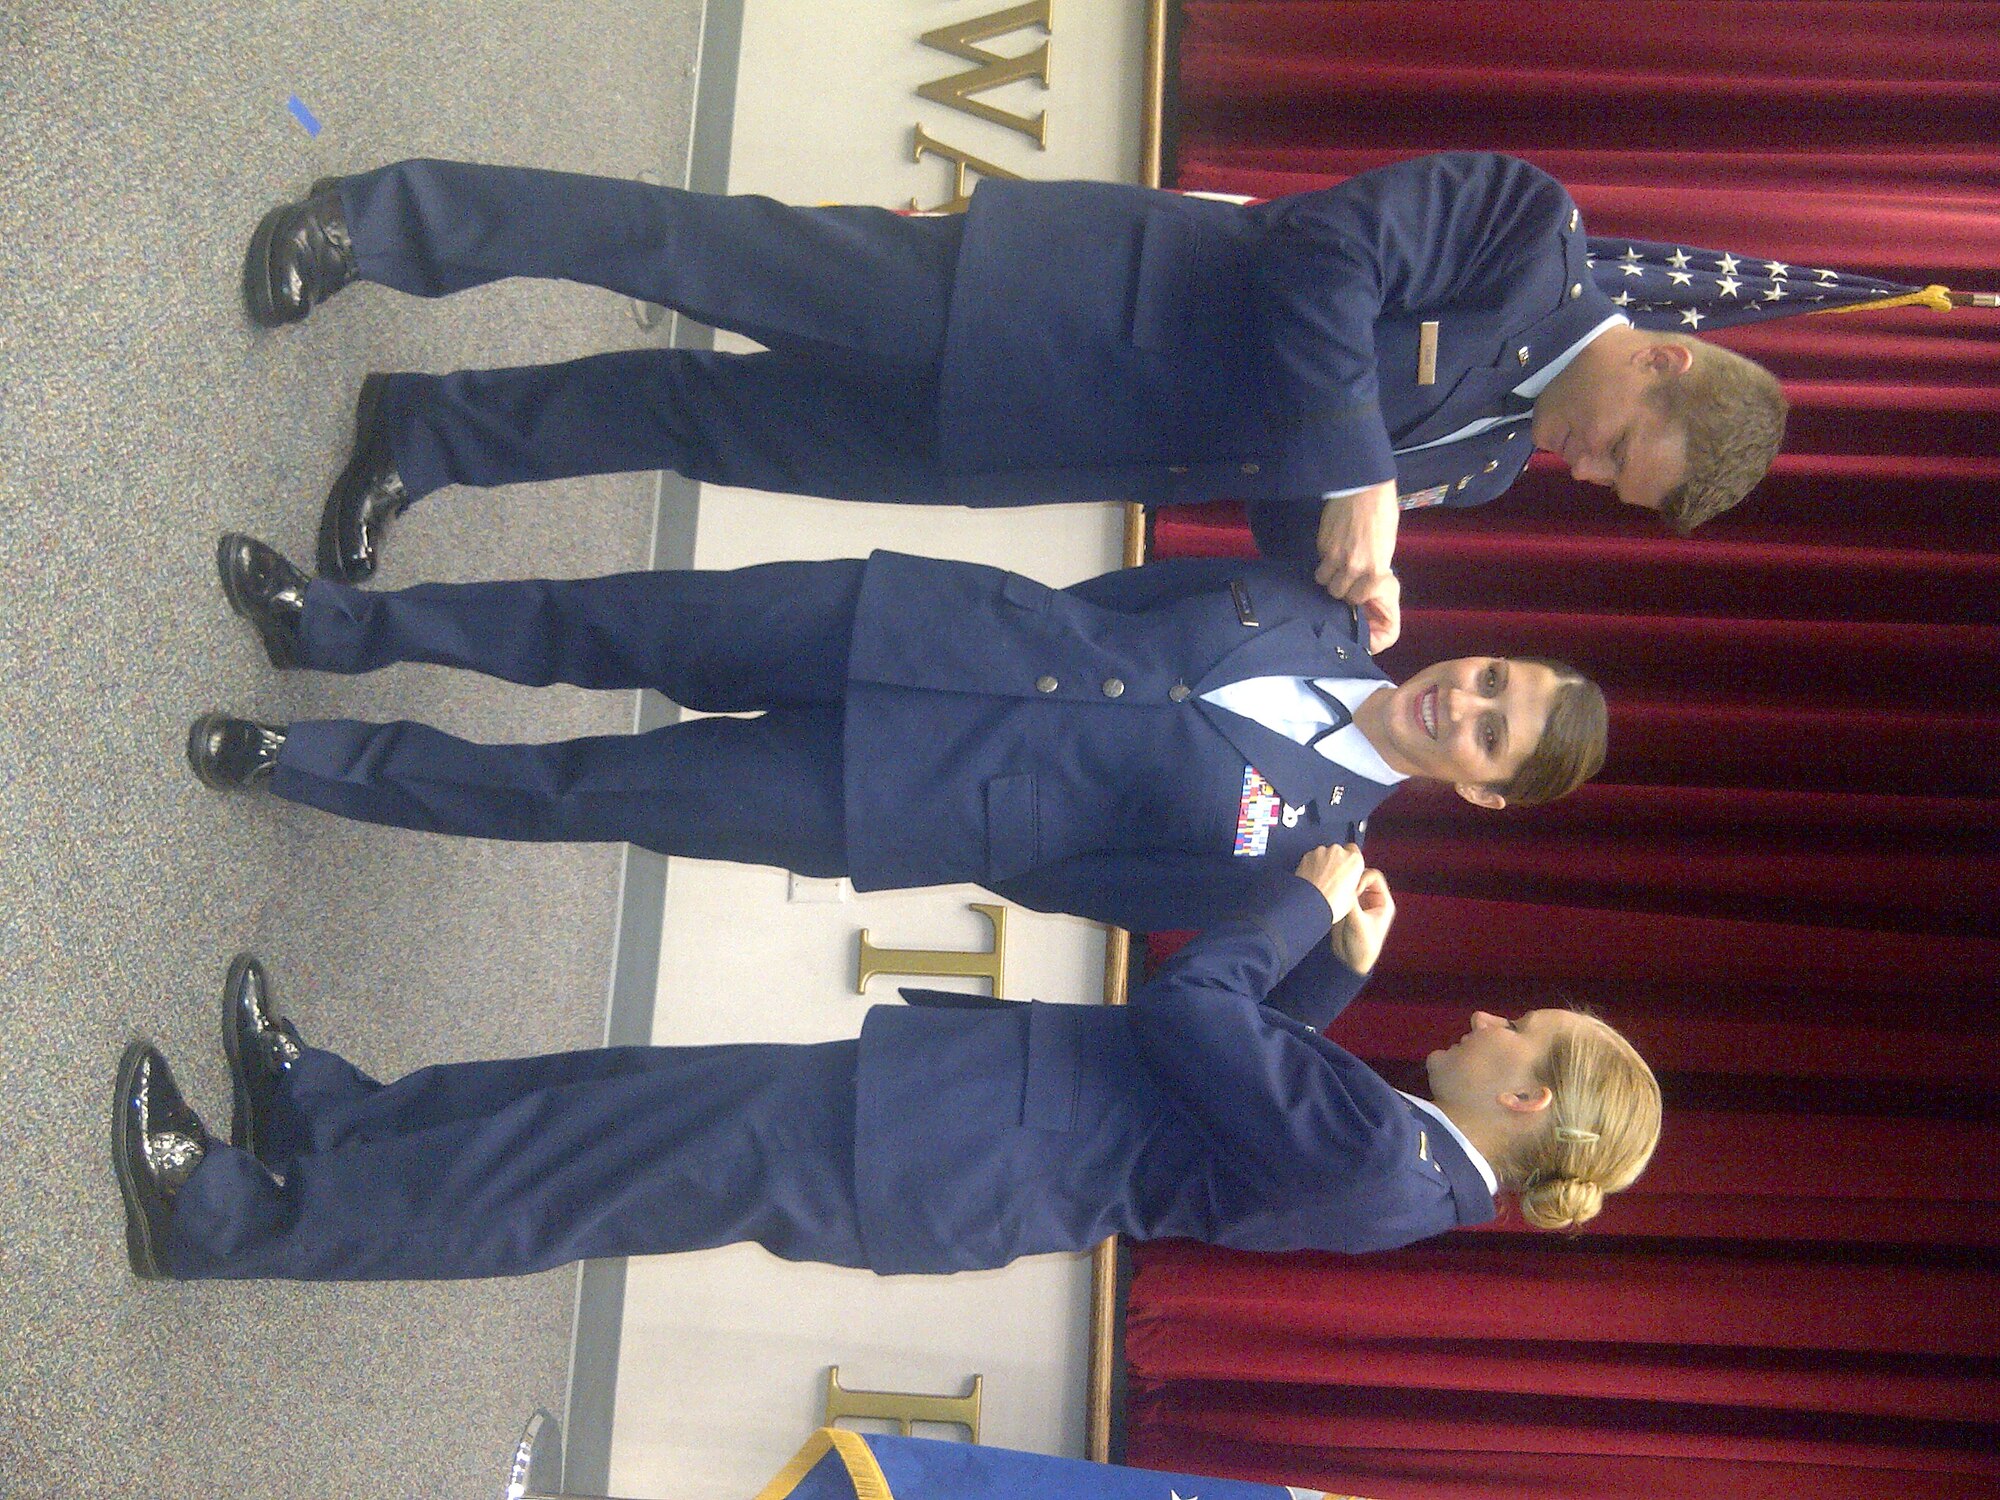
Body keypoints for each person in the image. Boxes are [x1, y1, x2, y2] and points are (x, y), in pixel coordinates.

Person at [244, 152, 1787, 650]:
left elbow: (1272, 500)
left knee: (708, 425)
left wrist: (1336, 583)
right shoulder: (1527, 233)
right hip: (1040, 295)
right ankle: (380, 223)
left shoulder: (1499, 458)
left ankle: (429, 434)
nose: (1583, 473)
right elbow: (1321, 252)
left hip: (1043, 440)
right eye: (1625, 455)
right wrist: (1362, 468)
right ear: (1667, 362)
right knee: (699, 256)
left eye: (1612, 491)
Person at [185, 535, 1607, 1020]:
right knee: (599, 617)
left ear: (1481, 791)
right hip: (919, 624)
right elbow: (1131, 595)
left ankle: (304, 763)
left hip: (902, 801)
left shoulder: (1306, 858)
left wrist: (1340, 961)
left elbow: (1162, 950)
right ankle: (333, 625)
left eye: (1490, 728)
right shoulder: (1315, 606)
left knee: (585, 791)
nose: (1464, 699)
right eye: (1494, 675)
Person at [111, 847, 1662, 1282]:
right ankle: (328, 1122)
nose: (1490, 1022)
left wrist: (1293, 906)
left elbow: (1195, 1026)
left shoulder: (1388, 1166)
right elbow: (1239, 1100)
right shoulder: (1389, 1160)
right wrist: (1336, 969)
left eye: (1524, 1036)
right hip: (944, 1129)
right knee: (606, 1103)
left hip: (933, 1152)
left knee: (567, 1181)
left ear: (1530, 1105)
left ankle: (236, 1220)